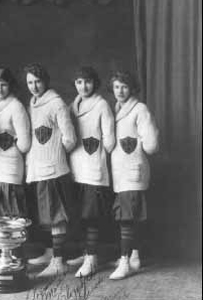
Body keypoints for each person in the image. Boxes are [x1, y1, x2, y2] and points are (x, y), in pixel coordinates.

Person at [24, 63, 77, 277]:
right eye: (30, 82)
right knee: (47, 213)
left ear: (45, 81)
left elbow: (70, 138)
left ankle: (59, 261)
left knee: (56, 215)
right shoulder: (33, 103)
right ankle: (50, 252)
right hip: (40, 167)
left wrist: (55, 154)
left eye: (37, 81)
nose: (34, 86)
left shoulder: (57, 104)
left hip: (54, 169)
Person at [108, 71, 159, 280]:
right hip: (121, 172)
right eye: (117, 87)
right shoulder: (117, 109)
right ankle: (135, 255)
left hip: (133, 170)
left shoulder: (140, 109)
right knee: (130, 215)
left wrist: (138, 144)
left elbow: (152, 145)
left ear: (133, 88)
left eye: (125, 87)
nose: (120, 91)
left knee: (127, 218)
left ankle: (124, 262)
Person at [69, 66, 115, 278]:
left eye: (87, 82)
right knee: (80, 214)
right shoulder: (73, 105)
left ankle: (92, 258)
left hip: (94, 166)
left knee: (91, 215)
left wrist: (97, 159)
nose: (83, 86)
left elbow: (109, 140)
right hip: (76, 166)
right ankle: (87, 252)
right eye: (79, 82)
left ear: (94, 83)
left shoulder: (102, 104)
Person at [0, 67, 31, 259]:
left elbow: (25, 142)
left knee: (12, 214)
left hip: (11, 164)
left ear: (10, 86)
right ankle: (3, 255)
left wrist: (8, 144)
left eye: (3, 85)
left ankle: (17, 257)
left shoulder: (16, 106)